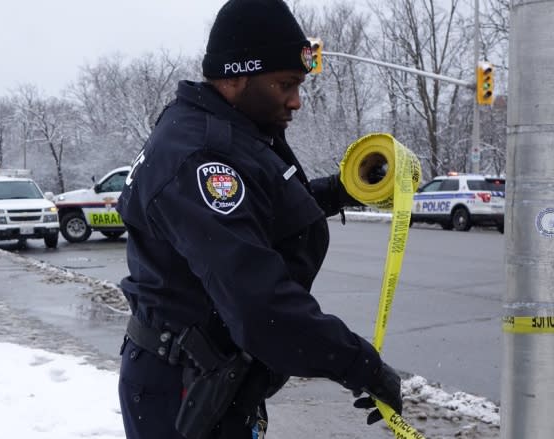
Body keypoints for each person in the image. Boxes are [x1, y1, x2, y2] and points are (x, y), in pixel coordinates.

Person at [115, 1, 403, 438]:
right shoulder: (200, 156)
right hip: (182, 390)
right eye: (285, 84)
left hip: (212, 377)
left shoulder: (224, 129)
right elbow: (259, 305)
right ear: (235, 76)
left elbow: (259, 209)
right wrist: (360, 364)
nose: (297, 101)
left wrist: (343, 189)